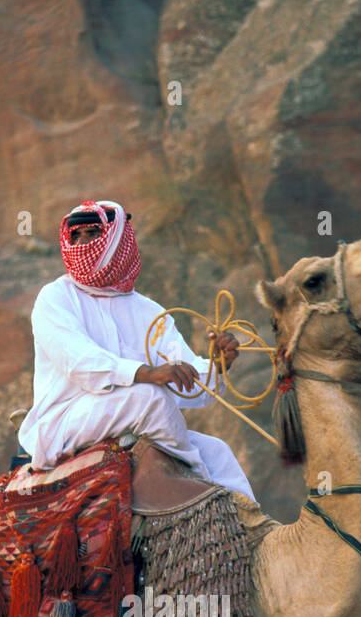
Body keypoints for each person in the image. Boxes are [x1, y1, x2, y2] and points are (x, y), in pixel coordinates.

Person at [16, 199, 255, 499]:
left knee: (218, 450)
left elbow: (187, 380)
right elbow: (80, 362)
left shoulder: (147, 311)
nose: (81, 243)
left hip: (133, 422)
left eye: (92, 234)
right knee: (149, 398)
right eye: (75, 236)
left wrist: (219, 366)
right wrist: (148, 374)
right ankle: (206, 493)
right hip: (66, 422)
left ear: (117, 240)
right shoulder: (55, 298)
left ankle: (251, 526)